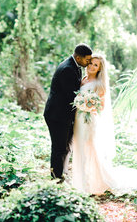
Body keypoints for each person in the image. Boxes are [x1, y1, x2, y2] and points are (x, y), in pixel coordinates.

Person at [72, 53, 137, 195]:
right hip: (78, 120)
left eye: (96, 65)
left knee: (90, 150)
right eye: (91, 63)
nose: (92, 67)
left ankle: (92, 183)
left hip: (89, 120)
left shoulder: (99, 85)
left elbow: (100, 107)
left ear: (100, 69)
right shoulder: (83, 80)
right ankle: (81, 182)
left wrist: (87, 106)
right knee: (79, 148)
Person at [44, 44, 92, 182]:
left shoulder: (75, 66)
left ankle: (61, 173)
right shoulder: (67, 69)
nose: (88, 62)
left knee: (64, 146)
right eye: (87, 60)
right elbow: (72, 96)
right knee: (59, 147)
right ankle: (56, 178)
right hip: (57, 115)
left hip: (63, 114)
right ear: (78, 57)